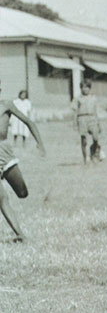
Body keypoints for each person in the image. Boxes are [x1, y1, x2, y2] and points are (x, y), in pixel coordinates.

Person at [0, 78, 46, 242]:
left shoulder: (7, 105)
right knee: (2, 198)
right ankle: (20, 234)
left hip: (5, 152)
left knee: (22, 193)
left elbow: (29, 122)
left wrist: (40, 144)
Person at [71, 80, 103, 164]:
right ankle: (85, 158)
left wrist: (99, 124)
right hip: (82, 118)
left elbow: (96, 112)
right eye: (83, 87)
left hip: (92, 118)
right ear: (81, 88)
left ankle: (93, 151)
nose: (85, 89)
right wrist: (74, 123)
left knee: (96, 138)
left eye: (87, 87)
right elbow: (75, 111)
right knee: (84, 140)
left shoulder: (93, 98)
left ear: (90, 88)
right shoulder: (77, 98)